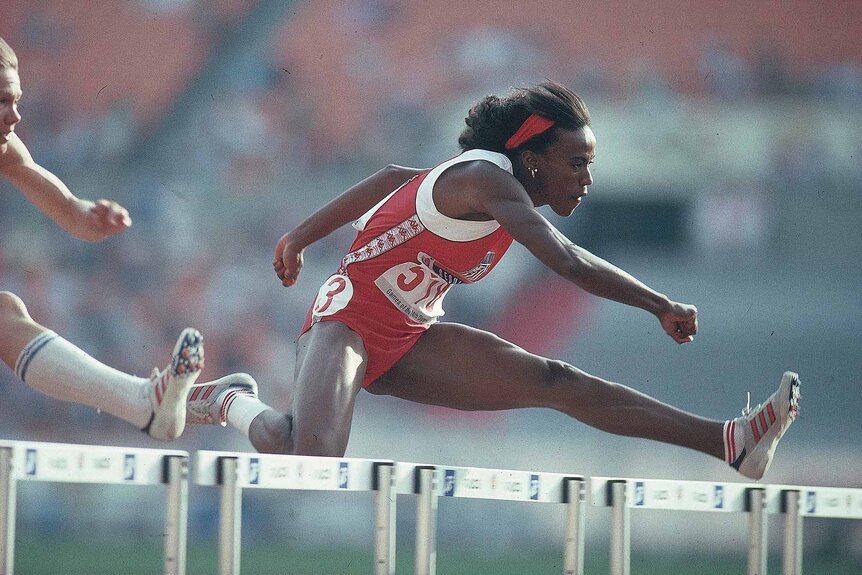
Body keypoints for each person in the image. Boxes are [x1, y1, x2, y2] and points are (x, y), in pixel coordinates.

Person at [188, 80, 799, 480]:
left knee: (555, 380)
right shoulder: (489, 181)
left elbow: (393, 177)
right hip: (346, 321)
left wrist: (300, 236)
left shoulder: (486, 181)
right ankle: (233, 400)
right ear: (533, 157)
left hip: (412, 333)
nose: (586, 179)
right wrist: (658, 303)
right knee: (312, 461)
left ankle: (731, 442)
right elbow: (567, 262)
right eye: (576, 163)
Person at [0, 36, 253, 441]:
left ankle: (142, 401)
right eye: (1, 102)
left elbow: (71, 214)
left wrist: (91, 216)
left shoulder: (6, 148)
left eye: (16, 100)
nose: (14, 116)